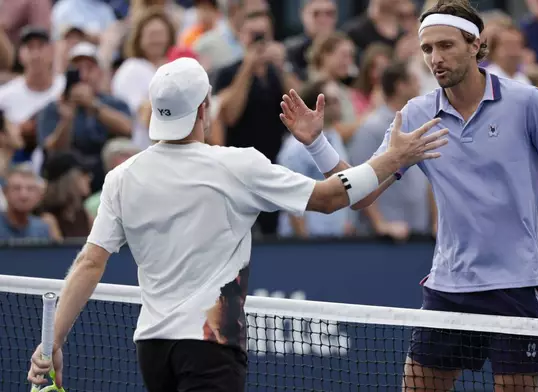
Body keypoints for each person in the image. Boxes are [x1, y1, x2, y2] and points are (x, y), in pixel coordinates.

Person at [26, 57, 447, 392]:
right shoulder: (237, 164)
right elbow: (330, 198)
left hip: (152, 349)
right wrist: (392, 159)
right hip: (210, 347)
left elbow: (88, 263)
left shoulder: (121, 177)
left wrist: (54, 341)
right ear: (204, 107)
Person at [278, 0, 538, 391]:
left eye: (445, 46)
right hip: (447, 291)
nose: (435, 59)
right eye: (427, 49)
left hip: (517, 287)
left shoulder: (526, 103)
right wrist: (317, 143)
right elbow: (359, 195)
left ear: (476, 44)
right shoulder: (416, 114)